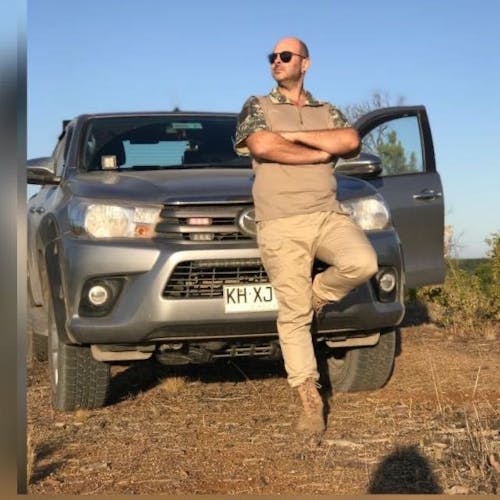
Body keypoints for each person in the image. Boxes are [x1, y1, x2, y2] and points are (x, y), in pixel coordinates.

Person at [234, 37, 378, 439]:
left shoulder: (325, 109)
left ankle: (317, 295)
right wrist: (317, 151)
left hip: (327, 213)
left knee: (362, 262)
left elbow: (349, 141)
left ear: (305, 63)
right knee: (293, 315)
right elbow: (262, 144)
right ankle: (310, 401)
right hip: (280, 221)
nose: (276, 62)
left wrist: (292, 137)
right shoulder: (257, 106)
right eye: (272, 57)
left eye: (285, 56)